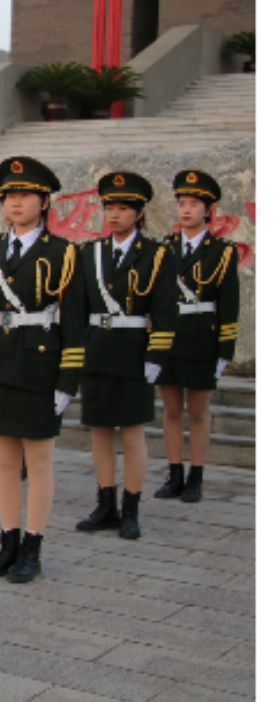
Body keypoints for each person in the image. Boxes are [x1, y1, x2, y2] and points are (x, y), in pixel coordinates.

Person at [0, 156, 84, 585]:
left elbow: (75, 322)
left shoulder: (64, 253)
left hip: (40, 368)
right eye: (8, 195)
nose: (15, 203)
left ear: (44, 202)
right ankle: (8, 540)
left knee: (39, 460)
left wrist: (67, 379)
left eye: (25, 195)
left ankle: (33, 545)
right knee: (4, 461)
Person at [70, 170, 174, 543]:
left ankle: (130, 509)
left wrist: (156, 355)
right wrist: (77, 352)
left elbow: (165, 311)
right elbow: (77, 309)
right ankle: (105, 504)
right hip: (98, 350)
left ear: (139, 213)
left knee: (132, 436)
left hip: (133, 353)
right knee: (100, 433)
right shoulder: (90, 253)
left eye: (123, 208)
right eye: (109, 207)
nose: (114, 214)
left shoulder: (157, 255)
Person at [152, 170, 238, 504]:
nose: (186, 210)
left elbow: (228, 304)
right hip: (170, 338)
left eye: (193, 204)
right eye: (182, 203)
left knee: (199, 412)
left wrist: (225, 350)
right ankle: (174, 474)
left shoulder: (222, 252)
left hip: (202, 338)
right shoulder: (165, 249)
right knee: (171, 410)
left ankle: (196, 477)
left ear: (208, 210)